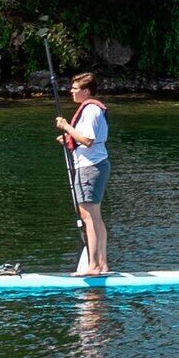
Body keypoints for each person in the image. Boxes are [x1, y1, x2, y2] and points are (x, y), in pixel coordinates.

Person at [54, 73, 114, 275]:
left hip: (90, 167)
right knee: (95, 216)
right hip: (96, 164)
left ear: (86, 91)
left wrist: (66, 127)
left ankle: (94, 266)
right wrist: (70, 139)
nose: (71, 91)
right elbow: (87, 140)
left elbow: (88, 140)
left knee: (89, 216)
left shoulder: (90, 111)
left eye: (75, 88)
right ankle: (102, 264)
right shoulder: (94, 109)